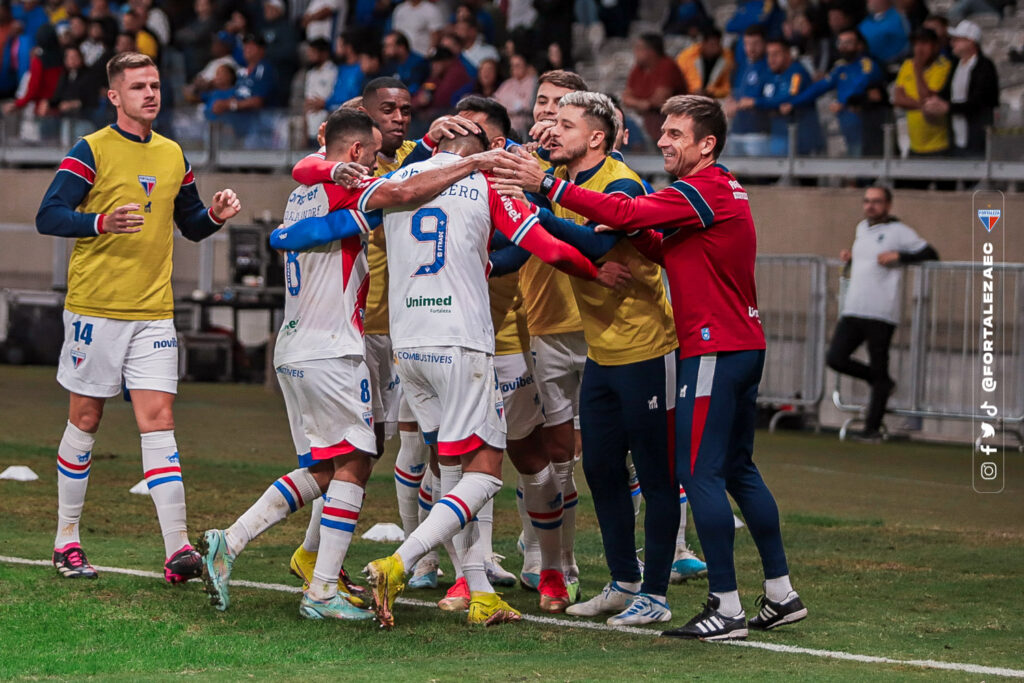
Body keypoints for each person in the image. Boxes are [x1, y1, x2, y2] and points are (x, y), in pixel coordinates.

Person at [495, 94, 806, 641]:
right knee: (735, 470)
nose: (663, 140)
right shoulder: (711, 192)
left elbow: (628, 215)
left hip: (711, 345)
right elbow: (665, 247)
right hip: (729, 343)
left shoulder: (700, 188)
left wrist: (547, 190)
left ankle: (725, 606)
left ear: (707, 144)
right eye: (662, 131)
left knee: (696, 473)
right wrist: (620, 236)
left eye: (676, 134)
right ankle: (780, 594)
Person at [198, 108, 523, 618]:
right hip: (334, 347)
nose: (376, 165)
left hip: (295, 346)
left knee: (328, 467)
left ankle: (234, 542)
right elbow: (402, 193)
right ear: (354, 153)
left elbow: (304, 190)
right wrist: (474, 163)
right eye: (371, 155)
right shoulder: (355, 188)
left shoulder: (305, 187)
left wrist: (289, 230)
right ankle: (323, 589)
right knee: (354, 462)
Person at [357, 127, 629, 628]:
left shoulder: (398, 179)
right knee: (485, 469)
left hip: (409, 345)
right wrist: (595, 271)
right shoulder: (488, 186)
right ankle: (401, 560)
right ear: (485, 150)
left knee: (451, 470)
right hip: (463, 343)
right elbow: (542, 246)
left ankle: (479, 590)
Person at [35, 52, 242, 583]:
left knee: (160, 424)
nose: (150, 93)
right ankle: (66, 542)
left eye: (154, 85)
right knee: (86, 420)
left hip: (154, 312)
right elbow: (49, 215)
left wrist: (213, 216)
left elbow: (191, 224)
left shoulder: (174, 155)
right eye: (138, 87)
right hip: (95, 309)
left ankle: (177, 551)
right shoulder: (91, 151)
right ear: (115, 97)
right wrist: (100, 220)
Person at [518, 91, 682, 626]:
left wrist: (539, 196)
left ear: (596, 137)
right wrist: (537, 191)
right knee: (603, 469)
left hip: (645, 347)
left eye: (564, 124)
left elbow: (594, 245)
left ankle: (654, 594)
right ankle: (622, 581)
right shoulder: (564, 179)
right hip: (604, 350)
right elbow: (543, 234)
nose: (552, 131)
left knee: (655, 475)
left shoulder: (621, 182)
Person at [516, 68, 589, 598]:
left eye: (561, 106)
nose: (548, 112)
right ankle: (547, 556)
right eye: (543, 101)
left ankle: (635, 558)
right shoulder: (518, 162)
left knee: (599, 452)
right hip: (539, 321)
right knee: (548, 449)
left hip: (598, 324)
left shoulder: (597, 169)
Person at [827, 186, 938, 442]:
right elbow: (867, 259)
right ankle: (882, 383)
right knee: (836, 358)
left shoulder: (899, 232)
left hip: (881, 311)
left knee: (878, 364)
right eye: (867, 201)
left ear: (887, 205)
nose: (870, 206)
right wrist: (852, 258)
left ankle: (872, 429)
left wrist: (900, 255)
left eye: (876, 202)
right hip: (854, 307)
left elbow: (930, 253)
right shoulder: (861, 229)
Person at [781, 28, 887, 157]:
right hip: (844, 129)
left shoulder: (867, 65)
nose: (843, 47)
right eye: (841, 43)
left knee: (860, 166)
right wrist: (792, 103)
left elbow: (861, 85)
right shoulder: (840, 67)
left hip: (865, 129)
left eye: (848, 43)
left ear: (859, 45)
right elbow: (818, 88)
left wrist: (843, 102)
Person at [740, 37, 823, 157]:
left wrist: (757, 103)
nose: (771, 59)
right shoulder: (770, 74)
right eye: (769, 55)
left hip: (801, 138)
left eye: (776, 54)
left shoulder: (797, 73)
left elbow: (788, 98)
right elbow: (753, 95)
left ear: (788, 55)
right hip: (777, 135)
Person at [931, 20, 999, 158]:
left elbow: (980, 100)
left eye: (958, 40)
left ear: (970, 42)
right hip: (957, 133)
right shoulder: (956, 64)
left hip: (976, 135)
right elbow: (947, 91)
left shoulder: (984, 66)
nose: (953, 43)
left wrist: (948, 107)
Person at [893, 28, 952, 157]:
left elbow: (928, 99)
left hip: (939, 145)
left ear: (936, 46)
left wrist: (918, 70)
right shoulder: (907, 64)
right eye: (916, 44)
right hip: (914, 145)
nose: (919, 49)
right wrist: (923, 106)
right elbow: (898, 99)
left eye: (924, 43)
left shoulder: (943, 66)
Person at [622, 33, 687, 144]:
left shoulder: (667, 66)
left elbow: (659, 100)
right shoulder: (638, 68)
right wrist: (642, 104)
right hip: (646, 117)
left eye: (639, 49)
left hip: (668, 118)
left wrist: (638, 103)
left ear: (650, 51)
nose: (635, 52)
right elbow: (626, 97)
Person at [723, 26, 770, 157]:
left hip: (759, 133)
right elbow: (735, 92)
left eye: (755, 43)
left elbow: (765, 98)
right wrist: (731, 101)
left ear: (764, 44)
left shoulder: (769, 67)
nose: (751, 48)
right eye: (747, 44)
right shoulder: (742, 67)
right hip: (737, 131)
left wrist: (741, 104)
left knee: (758, 175)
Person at [675, 27, 734, 99]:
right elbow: (678, 82)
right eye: (712, 45)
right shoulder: (686, 57)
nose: (716, 48)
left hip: (713, 98)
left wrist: (712, 92)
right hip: (688, 96)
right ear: (703, 44)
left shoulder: (726, 57)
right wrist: (693, 91)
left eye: (718, 44)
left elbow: (727, 87)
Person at [303, 38, 337, 145]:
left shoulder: (333, 72)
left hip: (327, 128)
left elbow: (333, 99)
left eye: (313, 52)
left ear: (324, 53)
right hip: (311, 129)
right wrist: (305, 129)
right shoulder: (310, 74)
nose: (310, 55)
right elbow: (307, 102)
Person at [492, 53, 536, 136]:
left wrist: (506, 105)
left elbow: (525, 106)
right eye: (512, 65)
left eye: (517, 65)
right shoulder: (507, 83)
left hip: (523, 123)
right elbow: (494, 101)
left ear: (526, 66)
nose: (514, 68)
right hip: (503, 118)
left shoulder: (533, 82)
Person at [858, 0, 910, 68]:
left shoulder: (899, 16)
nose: (868, 1)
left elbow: (908, 40)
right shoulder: (863, 24)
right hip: (871, 67)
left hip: (898, 63)